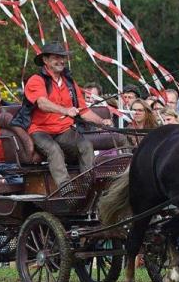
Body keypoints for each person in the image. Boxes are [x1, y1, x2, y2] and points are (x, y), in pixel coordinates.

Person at [11, 42, 112, 189]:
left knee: (85, 146)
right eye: (56, 57)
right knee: (54, 150)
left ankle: (89, 187)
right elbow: (42, 103)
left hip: (63, 130)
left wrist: (102, 121)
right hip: (39, 130)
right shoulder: (36, 80)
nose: (61, 61)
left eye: (63, 57)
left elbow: (83, 111)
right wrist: (65, 111)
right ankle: (66, 189)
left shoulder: (69, 82)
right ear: (45, 60)